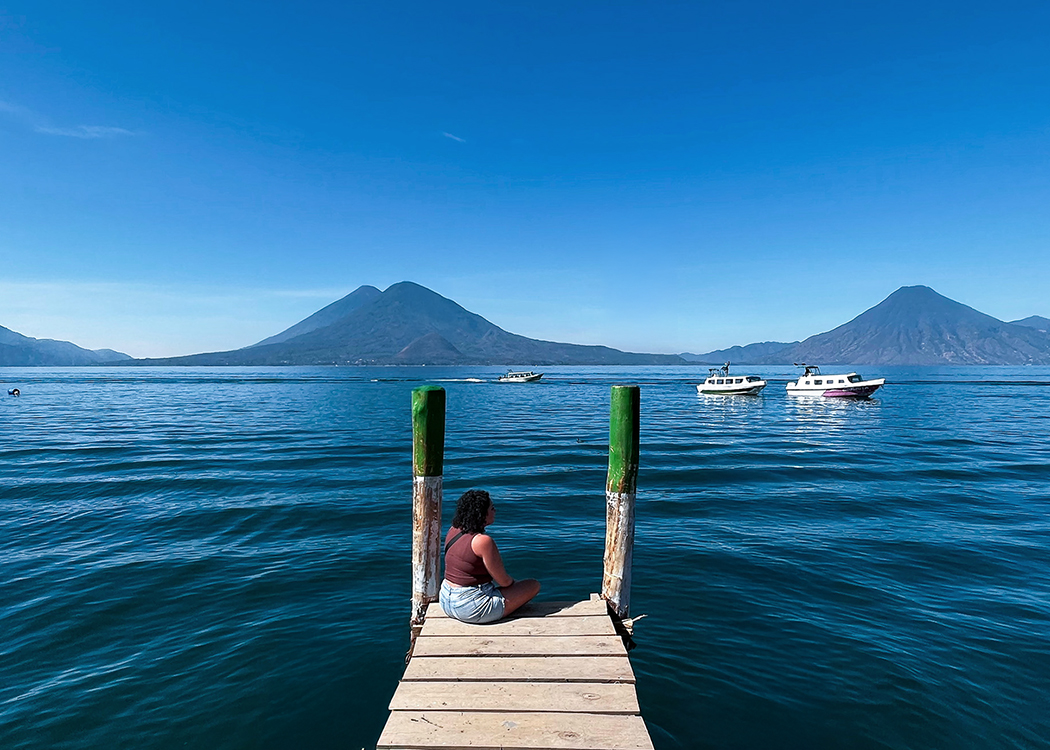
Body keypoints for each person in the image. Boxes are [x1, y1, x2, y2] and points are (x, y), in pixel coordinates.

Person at [439, 489, 540, 624]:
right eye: (492, 508)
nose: (495, 511)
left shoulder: (454, 530)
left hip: (446, 599)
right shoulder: (483, 541)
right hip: (470, 608)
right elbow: (504, 581)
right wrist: (516, 586)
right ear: (482, 515)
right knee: (532, 585)